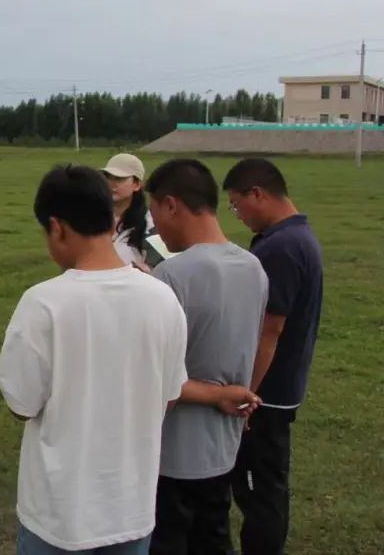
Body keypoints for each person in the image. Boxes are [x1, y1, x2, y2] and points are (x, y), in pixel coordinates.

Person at [0, 165, 189, 555]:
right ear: (110, 218)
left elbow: (21, 404)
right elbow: (170, 396)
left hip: (58, 515)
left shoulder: (43, 303)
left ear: (57, 228)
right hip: (132, 509)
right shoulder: (163, 298)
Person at [144, 159, 268, 555]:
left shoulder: (172, 276)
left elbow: (158, 380)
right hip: (223, 449)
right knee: (213, 537)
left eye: (154, 214)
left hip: (172, 454)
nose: (155, 227)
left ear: (171, 205)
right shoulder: (254, 268)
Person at [223, 158, 324, 555]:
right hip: (283, 387)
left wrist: (247, 394)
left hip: (267, 395)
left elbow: (270, 329)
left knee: (259, 492)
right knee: (268, 487)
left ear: (257, 194)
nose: (239, 215)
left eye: (237, 205)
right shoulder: (297, 236)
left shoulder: (281, 248)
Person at [101, 153, 156, 268]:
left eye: (119, 178)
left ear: (137, 184)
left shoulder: (150, 225)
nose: (111, 184)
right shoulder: (93, 219)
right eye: (108, 177)